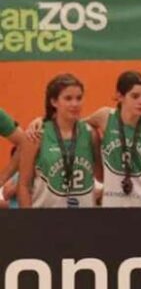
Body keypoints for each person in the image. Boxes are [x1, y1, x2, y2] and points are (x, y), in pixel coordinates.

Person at [17, 74, 101, 208]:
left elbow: (101, 176)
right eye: (68, 98)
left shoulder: (90, 133)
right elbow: (24, 185)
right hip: (46, 219)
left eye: (79, 98)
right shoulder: (37, 135)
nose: (75, 104)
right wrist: (28, 222)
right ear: (54, 102)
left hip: (84, 220)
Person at [86, 71, 141, 207]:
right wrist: (42, 121)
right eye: (135, 96)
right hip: (113, 204)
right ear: (120, 96)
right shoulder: (105, 117)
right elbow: (73, 127)